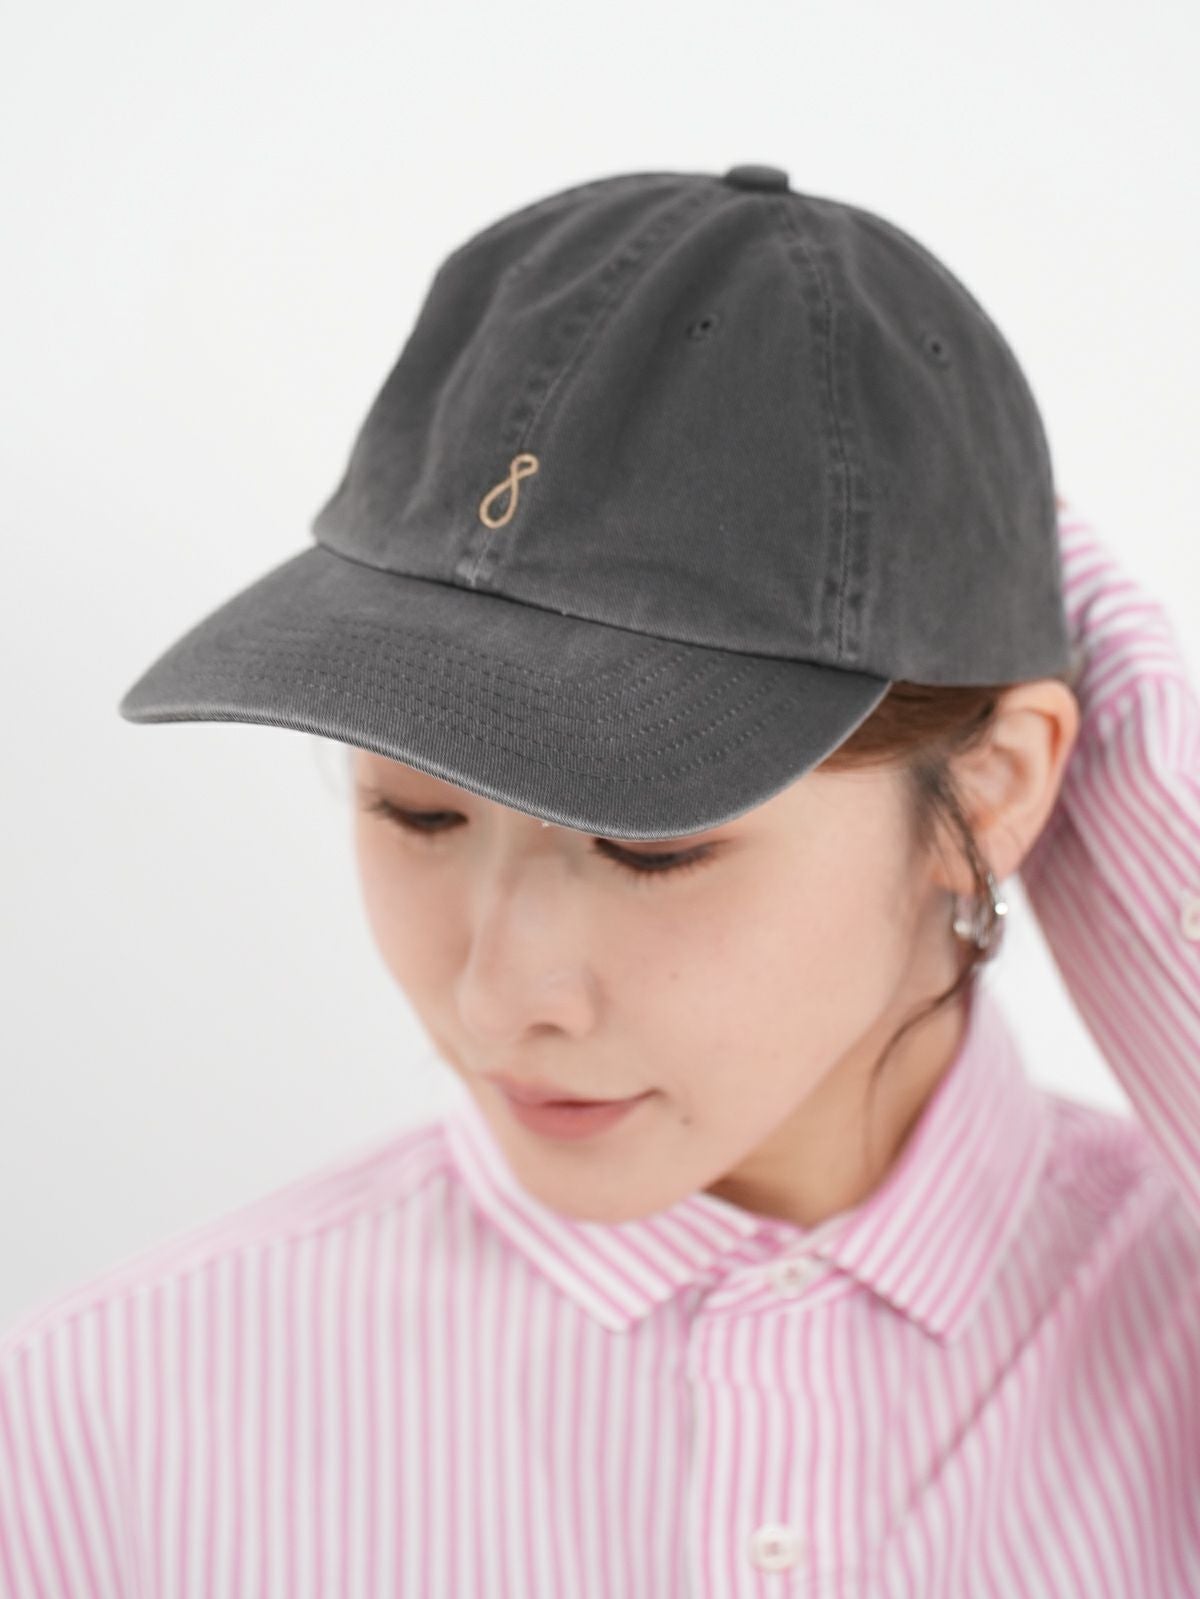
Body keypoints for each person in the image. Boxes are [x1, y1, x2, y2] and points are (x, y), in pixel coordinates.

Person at [2, 167, 1197, 1596]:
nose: (496, 999)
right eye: (415, 813)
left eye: (648, 844)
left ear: (994, 788)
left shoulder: (1174, 1336)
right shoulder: (94, 1434)